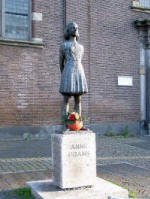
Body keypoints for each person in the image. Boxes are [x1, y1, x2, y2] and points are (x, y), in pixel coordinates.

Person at [59, 22, 88, 116]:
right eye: (72, 28)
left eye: (76, 28)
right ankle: (66, 123)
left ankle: (78, 122)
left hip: (79, 70)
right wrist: (64, 74)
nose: (75, 29)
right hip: (68, 71)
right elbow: (61, 63)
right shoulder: (64, 45)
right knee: (66, 98)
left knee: (78, 99)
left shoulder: (81, 47)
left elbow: (79, 59)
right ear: (68, 30)